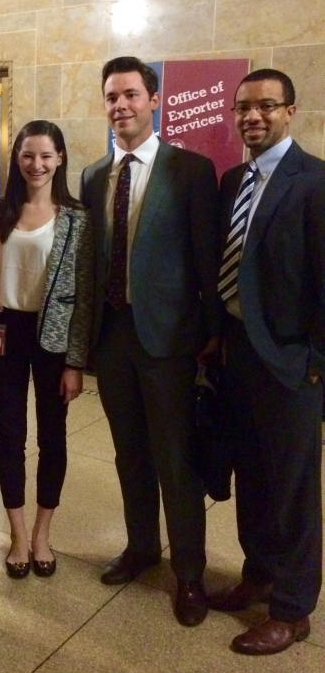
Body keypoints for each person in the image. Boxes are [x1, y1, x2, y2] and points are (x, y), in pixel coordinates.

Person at [80, 56, 221, 627]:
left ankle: (189, 573)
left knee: (175, 460)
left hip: (167, 342)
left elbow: (206, 259)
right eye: (112, 96)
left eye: (132, 95)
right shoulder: (94, 176)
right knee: (128, 453)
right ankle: (141, 548)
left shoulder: (190, 170)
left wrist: (210, 335)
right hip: (112, 338)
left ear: (154, 100)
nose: (121, 106)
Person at [207, 68, 325, 655]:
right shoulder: (233, 180)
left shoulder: (314, 181)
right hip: (238, 352)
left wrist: (314, 363)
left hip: (290, 362)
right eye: (243, 108)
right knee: (252, 474)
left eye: (266, 107)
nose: (252, 117)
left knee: (294, 487)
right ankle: (258, 575)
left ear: (290, 111)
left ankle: (293, 607)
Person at [0, 121, 93, 578]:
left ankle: (43, 533)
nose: (37, 165)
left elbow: (84, 294)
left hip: (53, 337)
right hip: (4, 331)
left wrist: (75, 361)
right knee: (10, 434)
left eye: (46, 156)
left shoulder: (76, 218)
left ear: (61, 158)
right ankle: (16, 533)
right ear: (17, 160)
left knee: (52, 435)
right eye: (28, 155)